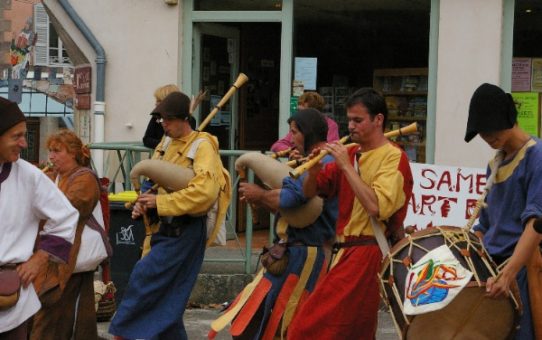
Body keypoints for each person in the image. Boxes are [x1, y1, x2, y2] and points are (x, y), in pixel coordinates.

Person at [287, 88, 413, 339]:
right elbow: (311, 192)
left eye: (358, 120)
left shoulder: (393, 157)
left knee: (307, 327)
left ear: (378, 120)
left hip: (367, 250)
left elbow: (376, 207)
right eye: (349, 120)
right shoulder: (353, 153)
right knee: (355, 330)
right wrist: (312, 168)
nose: (351, 126)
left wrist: (345, 165)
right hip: (343, 251)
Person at [109, 91, 229, 339]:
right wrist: (144, 201)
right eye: (161, 119)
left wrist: (160, 202)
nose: (163, 124)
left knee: (145, 280)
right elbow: (151, 180)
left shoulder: (203, 146)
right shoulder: (164, 144)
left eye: (167, 119)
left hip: (186, 230)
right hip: (161, 230)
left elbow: (205, 194)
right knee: (167, 297)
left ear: (183, 118)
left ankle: (124, 333)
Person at [209, 108, 337, 339]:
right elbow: (289, 208)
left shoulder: (324, 160)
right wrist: (265, 196)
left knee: (285, 323)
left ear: (307, 133)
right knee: (256, 319)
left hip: (306, 256)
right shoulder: (308, 160)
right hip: (291, 252)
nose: (290, 139)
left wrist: (260, 194)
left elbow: (292, 198)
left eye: (294, 132)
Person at [466, 83, 542, 340]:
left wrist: (509, 275)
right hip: (494, 272)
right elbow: (485, 225)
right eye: (482, 131)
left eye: (490, 127)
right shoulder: (495, 164)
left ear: (508, 117)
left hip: (522, 271)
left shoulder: (536, 156)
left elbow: (537, 223)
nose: (486, 136)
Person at [0, 98, 78, 339]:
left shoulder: (29, 177)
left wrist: (40, 258)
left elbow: (66, 217)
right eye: (16, 136)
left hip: (9, 300)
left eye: (24, 135)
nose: (24, 143)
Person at [30, 129, 103, 340]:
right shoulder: (53, 176)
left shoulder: (85, 179)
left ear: (72, 153)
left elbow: (68, 208)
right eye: (50, 151)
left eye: (57, 151)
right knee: (53, 317)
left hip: (71, 259)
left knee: (61, 316)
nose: (51, 156)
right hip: (51, 259)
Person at [270, 92, 339, 153]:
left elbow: (330, 150)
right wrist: (293, 152)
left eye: (302, 112)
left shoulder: (331, 125)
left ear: (314, 113)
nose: (298, 115)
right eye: (298, 111)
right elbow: (276, 146)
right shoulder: (298, 124)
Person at [142, 84, 180, 149]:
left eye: (159, 101)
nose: (156, 103)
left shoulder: (185, 120)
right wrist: (165, 145)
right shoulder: (156, 117)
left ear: (169, 101)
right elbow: (146, 139)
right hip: (159, 157)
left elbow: (182, 143)